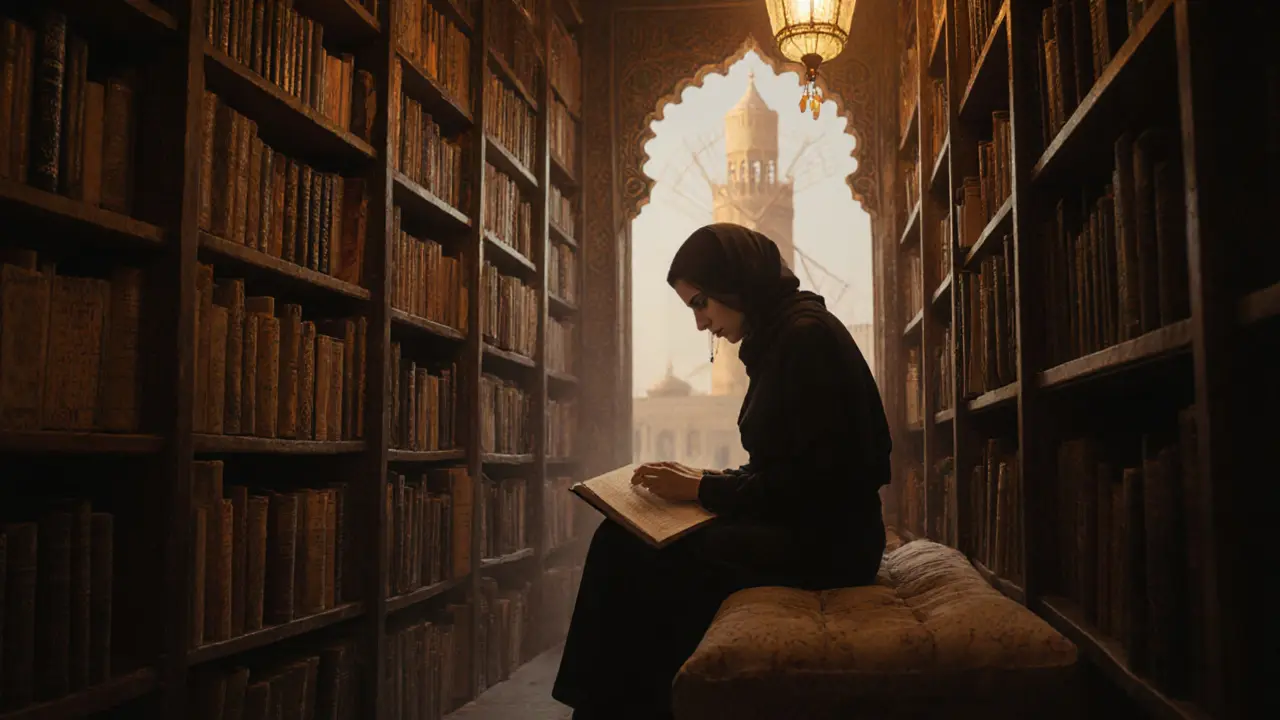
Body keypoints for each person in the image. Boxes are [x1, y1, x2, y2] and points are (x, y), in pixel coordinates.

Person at [551, 223, 892, 719]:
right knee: (622, 540)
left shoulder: (804, 340)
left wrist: (703, 489)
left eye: (701, 303)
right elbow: (783, 466)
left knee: (628, 552)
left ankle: (613, 710)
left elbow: (813, 486)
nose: (701, 324)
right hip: (809, 528)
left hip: (831, 545)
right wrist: (704, 482)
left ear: (734, 283)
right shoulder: (783, 334)